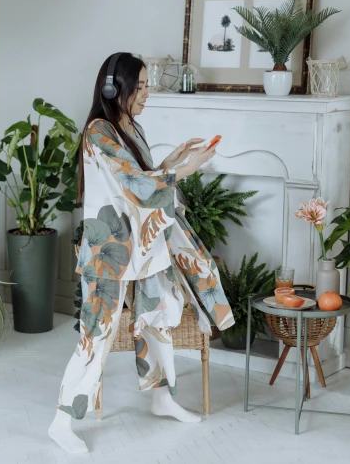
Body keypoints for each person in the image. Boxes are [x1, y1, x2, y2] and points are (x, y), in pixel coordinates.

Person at [48, 52, 235, 454]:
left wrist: (173, 159)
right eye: (143, 85)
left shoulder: (130, 125)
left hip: (145, 243)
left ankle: (161, 397)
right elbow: (132, 184)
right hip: (109, 247)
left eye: (149, 85)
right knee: (95, 333)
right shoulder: (99, 131)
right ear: (116, 88)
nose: (148, 93)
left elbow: (145, 174)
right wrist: (188, 170)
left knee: (158, 315)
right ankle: (62, 421)